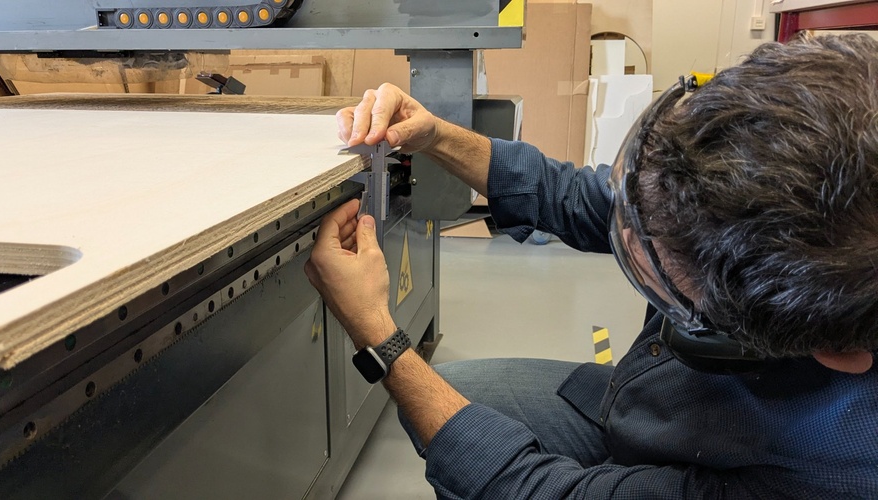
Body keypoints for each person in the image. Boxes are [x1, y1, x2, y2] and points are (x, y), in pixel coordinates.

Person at [304, 33, 878, 498]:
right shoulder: (758, 183)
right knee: (452, 395)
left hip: (713, 463)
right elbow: (577, 197)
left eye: (664, 268)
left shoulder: (829, 475)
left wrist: (380, 337)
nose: (631, 232)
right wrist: (435, 134)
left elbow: (536, 491)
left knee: (461, 442)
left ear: (835, 350)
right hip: (651, 404)